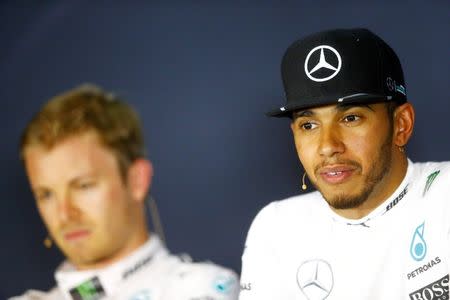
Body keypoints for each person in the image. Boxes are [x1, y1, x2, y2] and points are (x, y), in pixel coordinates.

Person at [239, 28, 449, 299]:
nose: (327, 146)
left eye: (350, 118)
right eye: (309, 124)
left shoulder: (444, 198)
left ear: (401, 124)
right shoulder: (276, 227)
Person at [12, 84, 239, 300]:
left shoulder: (208, 288)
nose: (64, 214)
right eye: (46, 195)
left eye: (83, 186)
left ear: (136, 180)